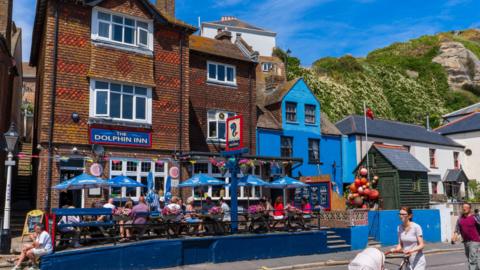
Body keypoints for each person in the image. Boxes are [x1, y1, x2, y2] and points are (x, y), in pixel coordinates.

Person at [452, 203, 480, 269]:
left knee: (472, 259)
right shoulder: (460, 219)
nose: (464, 209)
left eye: (466, 207)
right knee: (470, 259)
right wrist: (454, 238)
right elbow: (457, 229)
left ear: (470, 209)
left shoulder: (475, 217)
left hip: (475, 240)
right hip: (466, 241)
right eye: (463, 207)